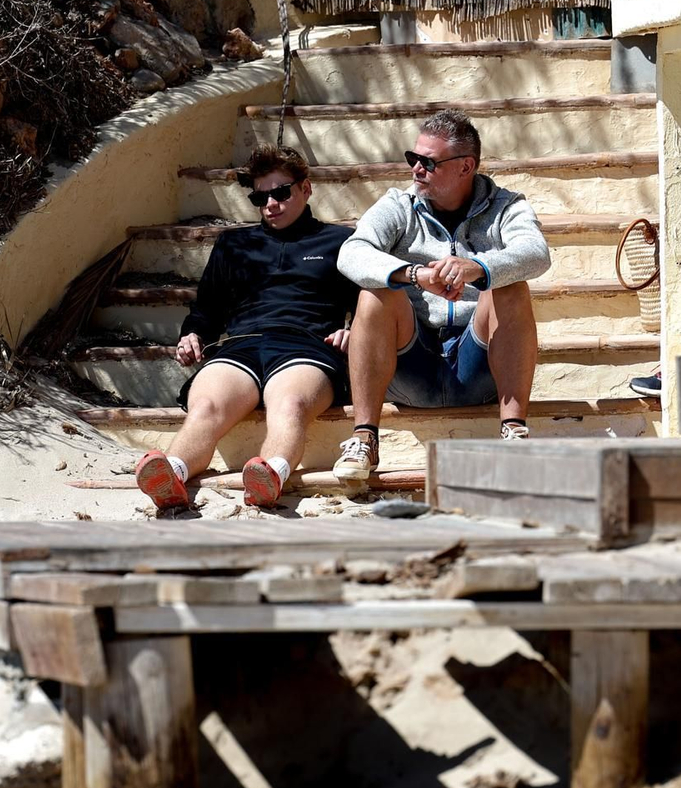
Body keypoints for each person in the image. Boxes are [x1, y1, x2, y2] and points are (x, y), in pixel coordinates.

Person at [332, 110, 550, 484]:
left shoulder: (506, 206)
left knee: (511, 286)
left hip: (479, 364)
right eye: (413, 158)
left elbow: (536, 252)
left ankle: (513, 430)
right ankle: (364, 437)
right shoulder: (399, 205)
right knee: (375, 293)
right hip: (411, 362)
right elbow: (351, 252)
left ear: (466, 167)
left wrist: (478, 268)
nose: (416, 169)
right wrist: (412, 274)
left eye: (428, 162)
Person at [134, 146, 357, 509]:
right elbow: (207, 309)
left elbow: (365, 303)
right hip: (240, 345)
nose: (271, 204)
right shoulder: (233, 244)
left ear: (306, 189)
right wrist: (193, 335)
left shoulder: (339, 242)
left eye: (281, 193)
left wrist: (356, 330)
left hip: (306, 345)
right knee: (205, 406)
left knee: (290, 404)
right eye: (260, 197)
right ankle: (170, 474)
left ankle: (270, 475)